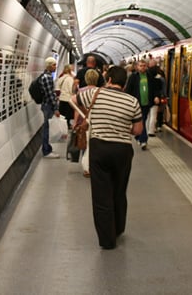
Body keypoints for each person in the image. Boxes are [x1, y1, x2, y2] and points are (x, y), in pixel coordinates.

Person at [73, 65, 142, 249]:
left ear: (109, 80)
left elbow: (73, 99)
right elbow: (138, 130)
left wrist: (88, 117)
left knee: (101, 195)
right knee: (119, 190)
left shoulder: (95, 94)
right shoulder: (132, 101)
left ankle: (107, 240)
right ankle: (119, 228)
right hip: (122, 150)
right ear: (124, 83)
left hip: (100, 148)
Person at [125, 58, 161, 149]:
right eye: (141, 66)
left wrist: (156, 96)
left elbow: (155, 88)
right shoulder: (133, 77)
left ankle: (140, 137)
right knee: (141, 121)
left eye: (144, 66)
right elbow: (128, 90)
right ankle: (143, 140)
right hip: (137, 103)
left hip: (147, 103)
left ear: (147, 66)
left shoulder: (149, 76)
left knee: (143, 120)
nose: (143, 68)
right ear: (137, 67)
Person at [72, 69, 101, 177]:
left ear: (86, 79)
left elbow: (76, 108)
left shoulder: (81, 91)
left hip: (83, 119)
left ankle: (86, 167)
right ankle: (93, 165)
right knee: (94, 143)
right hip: (96, 120)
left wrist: (75, 122)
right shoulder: (101, 91)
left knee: (85, 142)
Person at [40, 57, 60, 158]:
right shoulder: (47, 78)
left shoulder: (45, 76)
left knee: (47, 127)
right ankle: (46, 150)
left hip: (46, 105)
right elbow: (50, 94)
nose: (55, 67)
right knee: (47, 128)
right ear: (49, 66)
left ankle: (47, 148)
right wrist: (56, 108)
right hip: (48, 105)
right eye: (54, 65)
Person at [56, 64, 75, 129]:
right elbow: (71, 89)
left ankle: (61, 127)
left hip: (62, 98)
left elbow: (57, 89)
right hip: (68, 99)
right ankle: (67, 126)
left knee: (62, 114)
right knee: (68, 114)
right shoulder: (70, 79)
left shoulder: (61, 78)